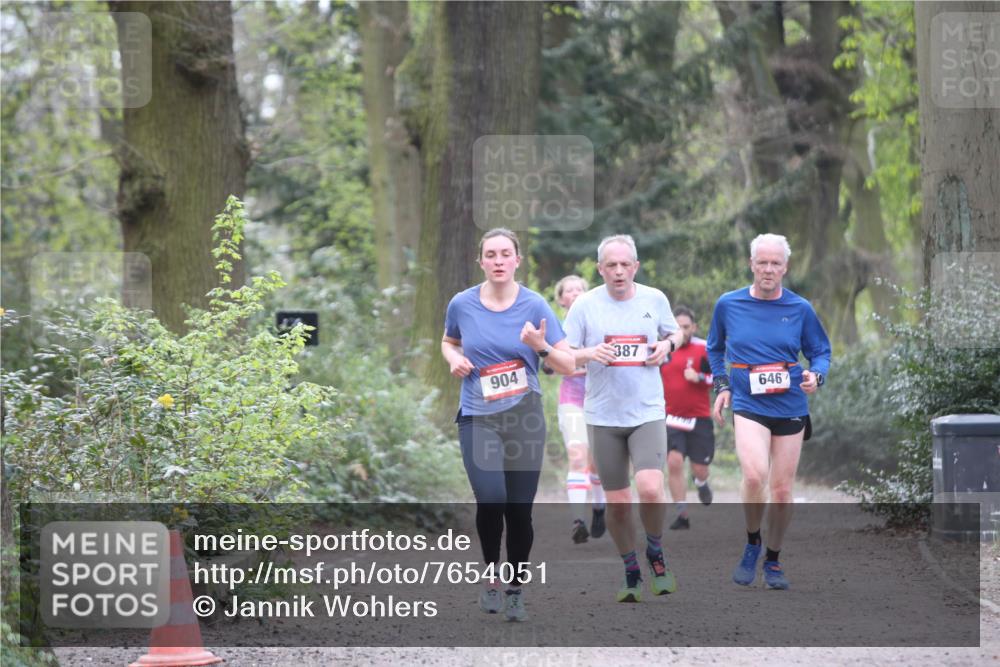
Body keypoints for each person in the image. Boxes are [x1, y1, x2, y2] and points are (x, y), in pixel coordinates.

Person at [442, 228, 575, 622]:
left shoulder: (535, 305)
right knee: (491, 497)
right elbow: (449, 341)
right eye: (491, 254)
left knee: (519, 510)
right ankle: (491, 577)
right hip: (478, 416)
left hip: (524, 419)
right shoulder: (462, 304)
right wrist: (453, 359)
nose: (498, 261)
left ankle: (515, 588)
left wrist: (540, 346)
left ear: (518, 260)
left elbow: (567, 364)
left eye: (505, 254)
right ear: (480, 261)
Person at [563, 234, 685, 602]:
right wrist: (589, 353)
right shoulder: (584, 306)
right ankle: (631, 568)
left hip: (646, 411)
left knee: (649, 488)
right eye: (610, 265)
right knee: (618, 503)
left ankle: (656, 552)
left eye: (624, 264)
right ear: (600, 269)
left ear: (636, 266)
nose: (618, 271)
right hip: (603, 416)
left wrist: (667, 345)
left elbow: (674, 331)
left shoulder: (654, 299)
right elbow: (566, 356)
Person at [707, 233, 831, 590]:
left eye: (775, 263)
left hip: (790, 403)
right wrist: (722, 386)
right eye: (762, 262)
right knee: (753, 476)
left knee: (781, 490)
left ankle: (773, 560)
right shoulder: (728, 305)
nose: (768, 269)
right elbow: (715, 349)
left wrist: (816, 376)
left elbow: (820, 351)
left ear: (785, 268)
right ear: (751, 265)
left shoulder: (800, 309)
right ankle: (752, 542)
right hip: (748, 403)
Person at [552, 275, 606, 544]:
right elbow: (547, 363)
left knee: (596, 462)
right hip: (572, 400)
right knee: (577, 456)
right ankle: (578, 521)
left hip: (601, 400)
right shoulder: (555, 328)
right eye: (568, 290)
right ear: (561, 299)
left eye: (579, 289)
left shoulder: (600, 321)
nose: (574, 293)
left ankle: (599, 508)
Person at [659, 306, 715, 530]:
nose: (681, 331)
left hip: (699, 418)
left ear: (694, 327)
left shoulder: (704, 348)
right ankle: (682, 514)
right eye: (677, 327)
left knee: (700, 468)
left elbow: (720, 378)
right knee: (673, 462)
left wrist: (700, 376)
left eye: (685, 327)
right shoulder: (663, 349)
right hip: (671, 417)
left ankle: (700, 482)